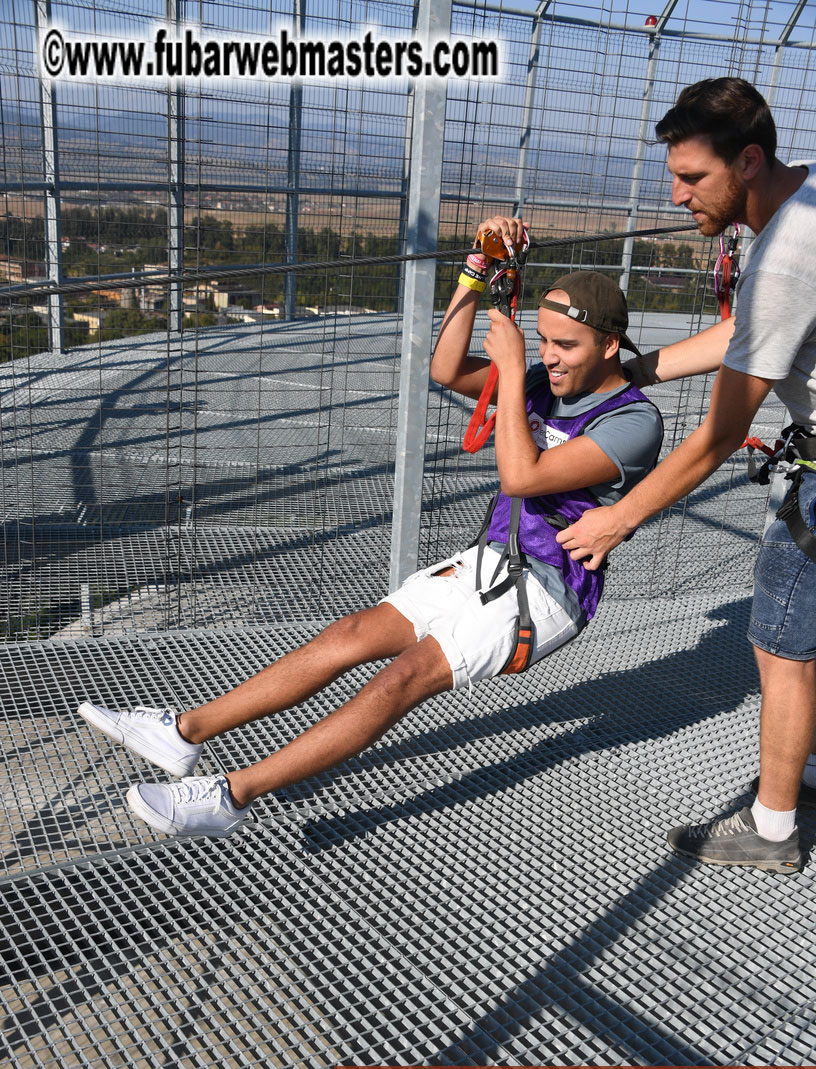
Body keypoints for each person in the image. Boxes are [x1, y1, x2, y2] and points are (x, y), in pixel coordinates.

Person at [78, 216, 662, 838]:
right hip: (493, 557)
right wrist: (475, 272)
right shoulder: (547, 376)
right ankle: (183, 733)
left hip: (548, 591)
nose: (549, 356)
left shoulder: (633, 423)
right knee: (353, 632)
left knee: (402, 677)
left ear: (607, 345)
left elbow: (522, 476)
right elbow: (444, 369)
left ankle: (229, 797)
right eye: (542, 341)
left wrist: (515, 373)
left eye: (564, 347)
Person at [556, 77, 816, 874]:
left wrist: (618, 517)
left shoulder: (781, 259)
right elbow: (745, 332)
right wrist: (636, 371)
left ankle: (774, 826)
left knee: (783, 648)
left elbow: (719, 437)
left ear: (748, 159)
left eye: (694, 178)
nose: (677, 196)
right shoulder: (806, 194)